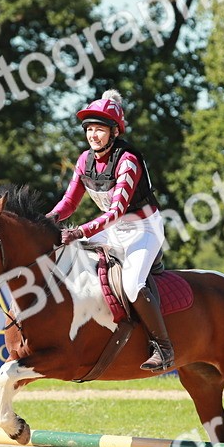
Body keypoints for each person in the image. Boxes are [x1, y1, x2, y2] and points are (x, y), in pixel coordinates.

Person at [46, 89, 174, 371]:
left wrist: (80, 232)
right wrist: (48, 220)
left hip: (143, 229)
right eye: (89, 129)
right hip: (112, 229)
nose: (93, 135)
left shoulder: (127, 160)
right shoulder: (84, 161)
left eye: (100, 129)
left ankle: (164, 348)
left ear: (114, 132)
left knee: (131, 285)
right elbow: (69, 203)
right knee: (66, 253)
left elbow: (116, 212)